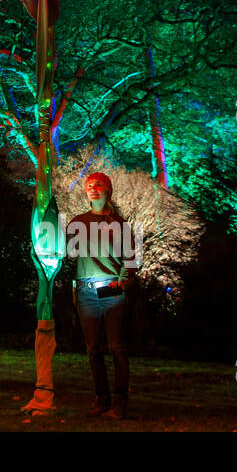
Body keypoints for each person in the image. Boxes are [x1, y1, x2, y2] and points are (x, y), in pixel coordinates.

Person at [68, 171, 139, 420]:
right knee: (93, 349)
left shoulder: (119, 224)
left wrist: (122, 280)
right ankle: (101, 399)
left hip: (111, 289)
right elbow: (62, 249)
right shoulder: (77, 222)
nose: (93, 188)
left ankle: (119, 404)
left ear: (107, 190)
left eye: (98, 184)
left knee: (117, 348)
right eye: (88, 185)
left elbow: (131, 258)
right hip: (86, 290)